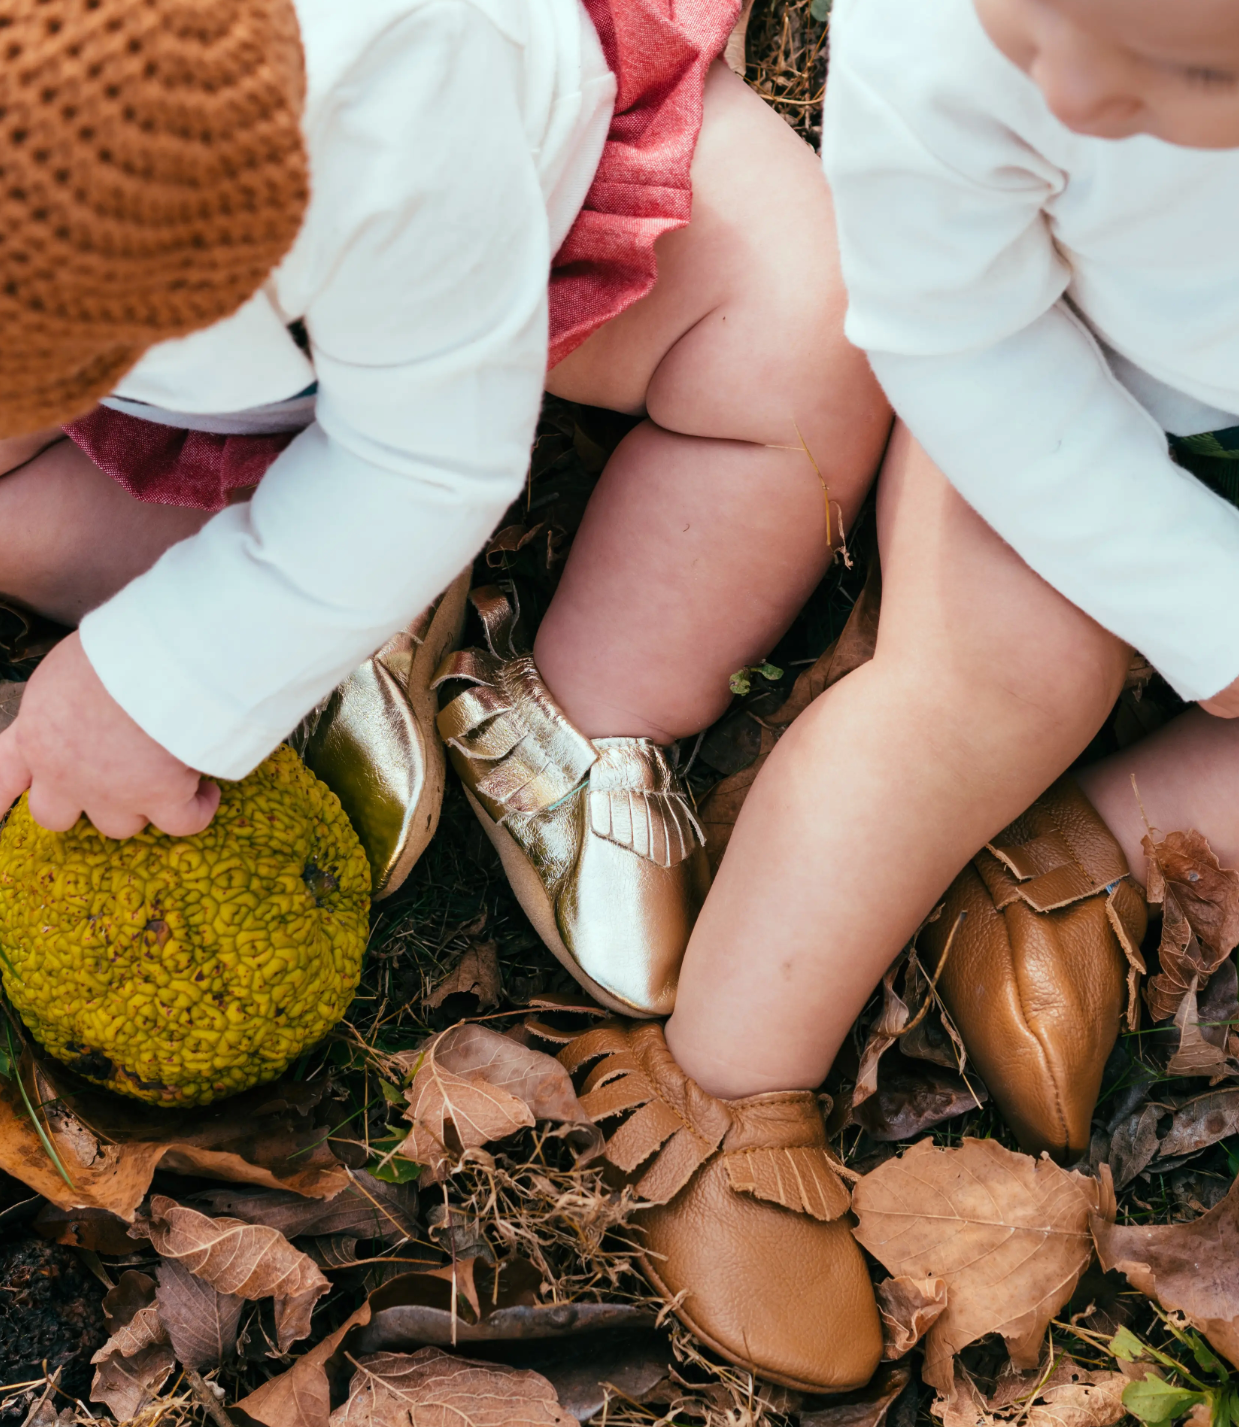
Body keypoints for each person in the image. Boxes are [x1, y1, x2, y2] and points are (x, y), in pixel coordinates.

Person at [0, 0, 891, 1391]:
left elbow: (429, 459)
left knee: (799, 336)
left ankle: (599, 698)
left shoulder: (400, 73)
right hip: (177, 335)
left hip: (531, 216)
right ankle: (320, 585)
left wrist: (161, 675)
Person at [567, 0, 1239, 1390]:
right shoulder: (942, 42)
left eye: (1191, 70)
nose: (1069, 95)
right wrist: (1185, 583)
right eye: (1029, 31)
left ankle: (1093, 861)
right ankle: (728, 1074)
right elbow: (956, 332)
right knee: (991, 683)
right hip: (1061, 418)